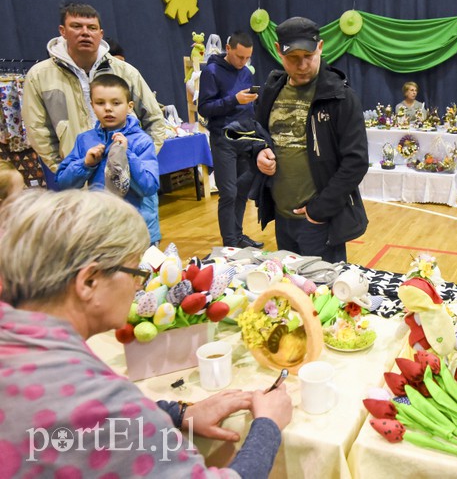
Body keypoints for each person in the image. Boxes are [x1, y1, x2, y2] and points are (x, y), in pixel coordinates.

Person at [0, 189, 292, 477]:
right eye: (134, 274)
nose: (139, 287)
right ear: (88, 282)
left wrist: (177, 413)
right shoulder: (99, 399)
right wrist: (268, 426)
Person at [22, 2, 167, 243]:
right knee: (91, 253)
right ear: (62, 30)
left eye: (91, 27)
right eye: (76, 26)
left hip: (134, 203)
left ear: (100, 33)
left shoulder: (125, 72)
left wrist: (132, 158)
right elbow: (38, 131)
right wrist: (73, 168)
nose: (85, 32)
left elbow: (155, 121)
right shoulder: (40, 76)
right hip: (81, 193)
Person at [251, 16, 369, 264]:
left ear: (321, 47)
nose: (302, 65)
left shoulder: (340, 97)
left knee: (324, 296)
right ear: (278, 52)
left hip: (319, 222)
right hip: (282, 218)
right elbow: (257, 135)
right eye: (293, 58)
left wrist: (319, 210)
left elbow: (356, 162)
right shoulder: (271, 91)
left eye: (309, 55)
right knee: (292, 294)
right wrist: (259, 153)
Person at [55, 75, 160, 243]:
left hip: (139, 230)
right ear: (91, 106)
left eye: (116, 103)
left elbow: (149, 186)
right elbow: (63, 182)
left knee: (141, 269)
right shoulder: (85, 140)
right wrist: (85, 164)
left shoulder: (141, 141)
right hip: (103, 230)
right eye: (100, 103)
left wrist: (127, 155)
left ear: (129, 106)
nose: (108, 109)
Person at [198, 31, 264, 249]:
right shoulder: (212, 71)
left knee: (242, 191)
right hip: (223, 139)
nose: (243, 62)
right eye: (239, 57)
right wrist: (233, 99)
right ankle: (230, 245)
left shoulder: (245, 72)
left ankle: (238, 236)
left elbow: (246, 106)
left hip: (245, 139)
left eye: (247, 58)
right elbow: (204, 108)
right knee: (229, 193)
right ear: (228, 49)